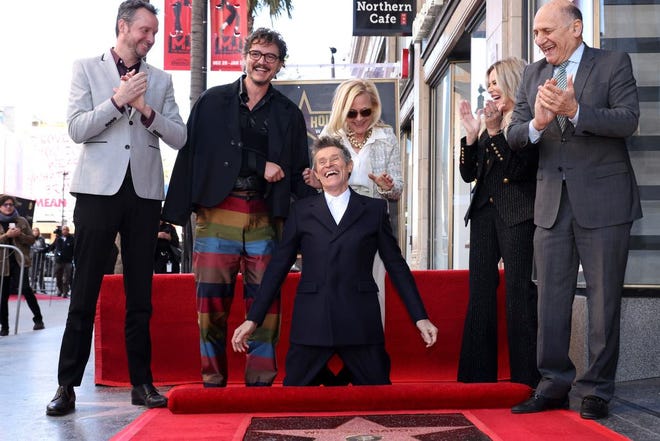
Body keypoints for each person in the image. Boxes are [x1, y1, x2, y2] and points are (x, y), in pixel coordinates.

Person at [46, 0, 187, 416]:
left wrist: (146, 111)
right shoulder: (86, 68)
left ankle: (141, 383)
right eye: (145, 30)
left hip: (144, 195)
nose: (151, 38)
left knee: (140, 293)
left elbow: (179, 136)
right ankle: (66, 385)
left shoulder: (160, 80)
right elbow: (76, 128)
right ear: (123, 27)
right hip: (96, 192)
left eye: (155, 33)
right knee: (85, 290)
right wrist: (117, 101)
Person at [508, 0, 641, 420]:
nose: (541, 39)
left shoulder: (613, 63)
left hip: (604, 202)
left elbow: (627, 120)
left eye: (548, 30)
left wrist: (576, 112)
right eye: (535, 33)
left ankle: (597, 389)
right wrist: (540, 124)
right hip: (550, 205)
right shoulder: (533, 74)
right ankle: (552, 384)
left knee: (603, 301)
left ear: (576, 28)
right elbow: (514, 135)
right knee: (550, 299)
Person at [163, 28, 316, 387]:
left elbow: (295, 172)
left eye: (271, 57)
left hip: (266, 214)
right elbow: (197, 155)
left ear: (279, 66)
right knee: (210, 303)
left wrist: (314, 204)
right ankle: (213, 381)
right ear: (244, 57)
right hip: (217, 213)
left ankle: (260, 383)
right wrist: (174, 217)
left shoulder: (289, 114)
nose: (263, 62)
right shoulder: (211, 102)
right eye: (257, 54)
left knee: (267, 302)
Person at [231, 136, 438, 386]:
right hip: (312, 323)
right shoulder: (301, 211)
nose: (329, 165)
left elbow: (396, 265)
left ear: (349, 166)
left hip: (360, 323)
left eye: (335, 159)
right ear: (317, 174)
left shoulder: (373, 210)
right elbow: (278, 267)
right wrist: (253, 319)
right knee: (293, 404)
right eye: (322, 162)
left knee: (382, 403)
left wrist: (420, 317)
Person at [456, 58, 540, 388]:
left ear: (514, 83)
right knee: (480, 293)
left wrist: (493, 132)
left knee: (519, 292)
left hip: (519, 214)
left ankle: (526, 380)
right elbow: (468, 174)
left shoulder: (527, 121)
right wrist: (472, 137)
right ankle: (476, 380)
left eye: (496, 82)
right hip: (484, 215)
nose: (490, 89)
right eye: (488, 83)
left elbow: (518, 171)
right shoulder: (490, 123)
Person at [303, 79, 403, 323]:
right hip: (336, 223)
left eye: (366, 112)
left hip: (372, 222)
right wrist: (318, 184)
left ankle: (370, 348)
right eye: (352, 113)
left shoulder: (385, 136)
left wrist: (387, 186)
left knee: (373, 287)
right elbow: (323, 184)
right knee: (336, 287)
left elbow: (398, 189)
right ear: (342, 111)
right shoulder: (330, 137)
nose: (359, 118)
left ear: (375, 107)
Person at [0, 195, 46, 336]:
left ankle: (38, 319)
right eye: (5, 204)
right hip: (3, 264)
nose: (9, 207)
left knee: (26, 288)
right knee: (3, 295)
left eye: (11, 204)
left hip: (20, 261)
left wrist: (19, 235)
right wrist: (6, 235)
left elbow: (32, 240)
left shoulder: (22, 221)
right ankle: (5, 327)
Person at [47, 226, 75, 297]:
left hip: (68, 261)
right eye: (63, 230)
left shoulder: (72, 239)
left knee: (66, 278)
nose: (64, 231)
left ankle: (65, 292)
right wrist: (43, 251)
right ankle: (60, 290)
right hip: (59, 261)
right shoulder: (58, 239)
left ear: (68, 231)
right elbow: (52, 247)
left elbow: (74, 249)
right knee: (58, 277)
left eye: (66, 230)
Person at [30, 227, 48, 292]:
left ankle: (42, 288)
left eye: (36, 231)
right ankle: (33, 287)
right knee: (33, 273)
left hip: (40, 258)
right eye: (34, 231)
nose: (35, 232)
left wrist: (41, 250)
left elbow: (44, 247)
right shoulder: (30, 238)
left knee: (41, 273)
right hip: (33, 258)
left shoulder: (41, 239)